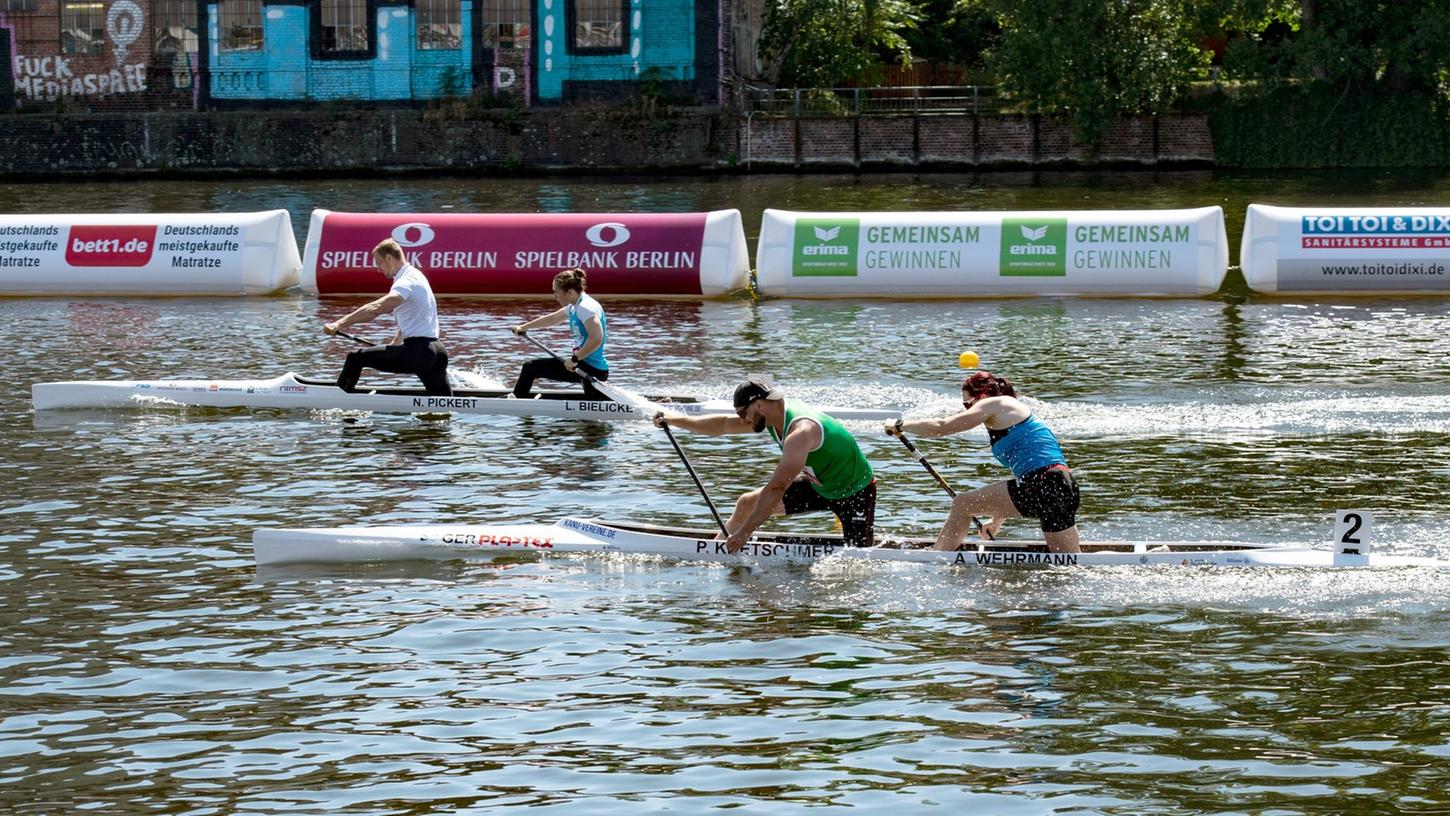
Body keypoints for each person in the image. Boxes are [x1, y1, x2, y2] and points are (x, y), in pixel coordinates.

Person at [654, 376, 877, 553]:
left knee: (859, 559)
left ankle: (732, 543)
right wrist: (672, 419)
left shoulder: (800, 431)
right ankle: (717, 552)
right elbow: (721, 425)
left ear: (759, 404)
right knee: (746, 504)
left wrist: (744, 534)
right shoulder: (772, 417)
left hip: (854, 493)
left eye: (743, 412)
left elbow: (777, 487)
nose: (742, 419)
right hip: (819, 486)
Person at [888, 370, 1079, 553]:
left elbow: (942, 427)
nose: (968, 410)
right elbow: (1022, 475)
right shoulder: (1009, 413)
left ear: (984, 394)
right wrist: (996, 521)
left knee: (962, 505)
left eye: (968, 404)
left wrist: (900, 425)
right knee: (1069, 563)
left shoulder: (997, 403)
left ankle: (936, 559)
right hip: (1063, 486)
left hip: (1045, 484)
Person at [323, 238, 451, 396]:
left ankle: (337, 400)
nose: (378, 268)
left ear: (389, 258)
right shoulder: (417, 275)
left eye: (379, 262)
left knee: (355, 358)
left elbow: (375, 309)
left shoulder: (405, 282)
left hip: (419, 353)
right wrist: (396, 341)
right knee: (443, 404)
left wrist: (339, 324)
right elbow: (415, 315)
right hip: (437, 352)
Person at [511, 268, 609, 399]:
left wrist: (575, 359)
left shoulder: (586, 308)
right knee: (589, 412)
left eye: (556, 292)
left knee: (530, 368)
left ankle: (516, 400)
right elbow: (552, 319)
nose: (555, 296)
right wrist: (524, 327)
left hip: (590, 369)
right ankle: (524, 399)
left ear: (569, 292)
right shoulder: (576, 305)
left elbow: (597, 338)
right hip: (585, 366)